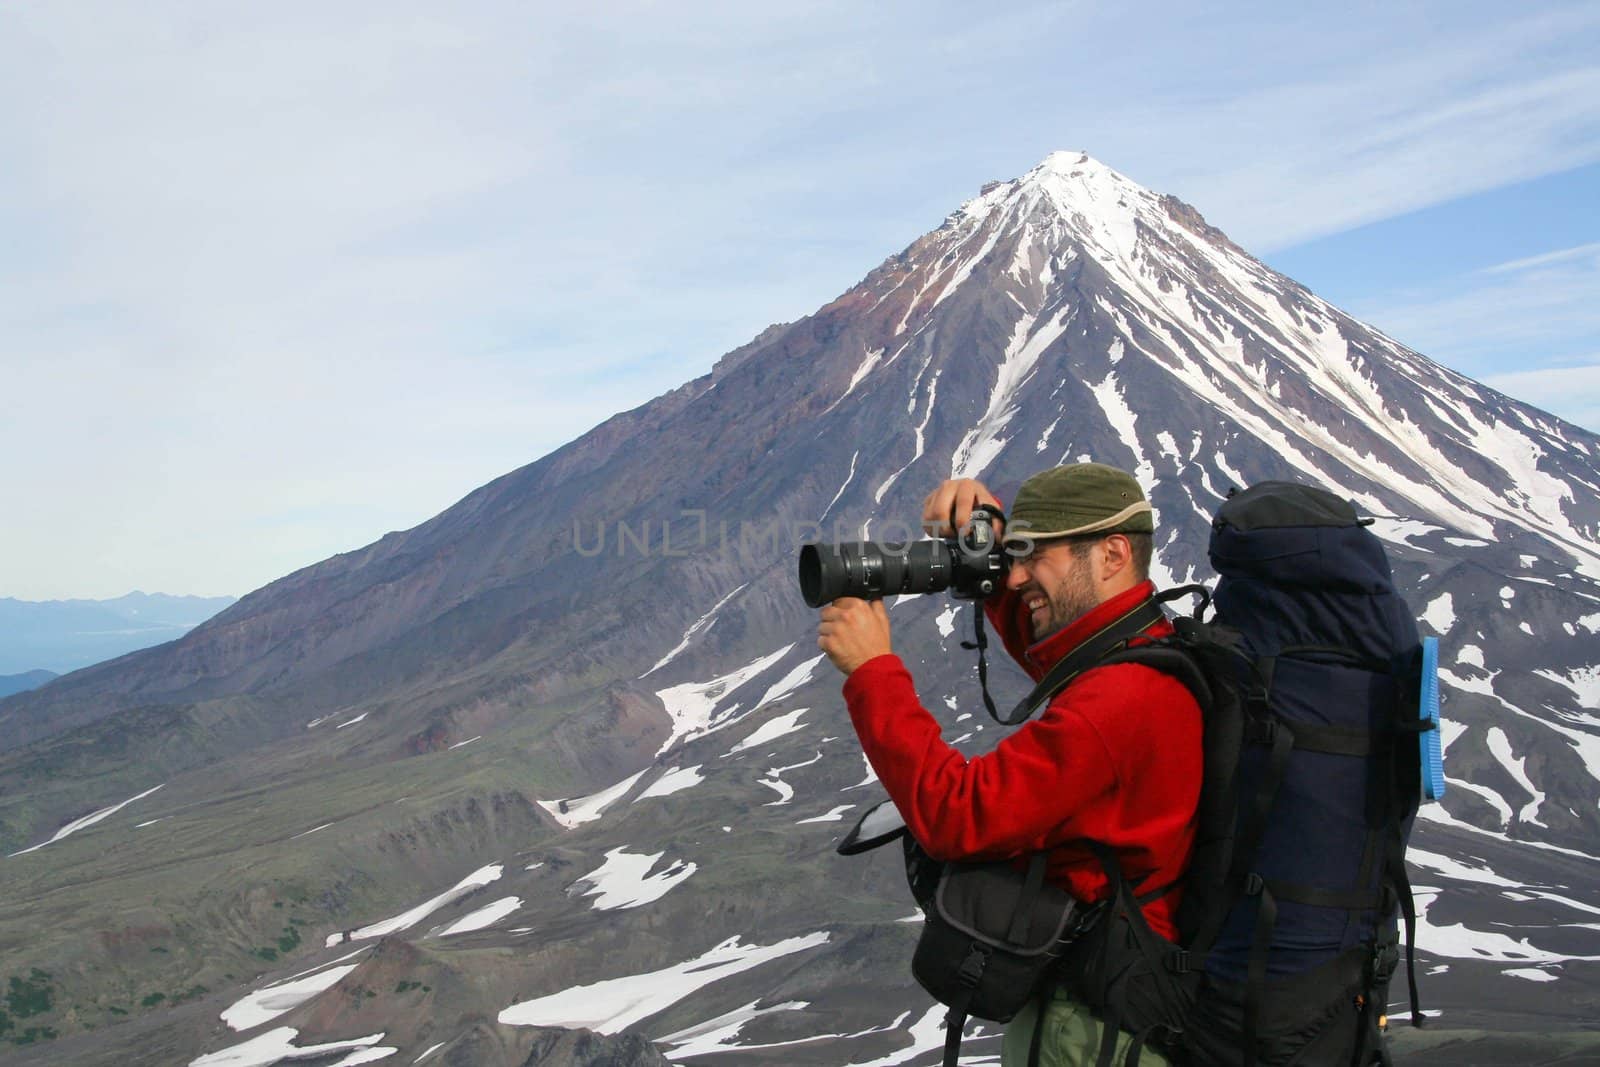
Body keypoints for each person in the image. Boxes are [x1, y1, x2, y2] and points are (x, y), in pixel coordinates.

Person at [816, 464, 1203, 1066]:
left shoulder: (1123, 697)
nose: (1016, 575)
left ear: (1111, 553)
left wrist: (873, 674)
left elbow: (959, 817)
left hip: (1093, 1035)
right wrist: (987, 541)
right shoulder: (1150, 652)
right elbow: (1064, 653)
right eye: (1012, 557)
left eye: (1033, 557)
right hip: (1118, 1010)